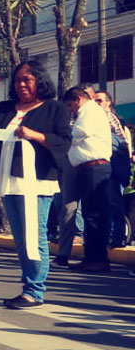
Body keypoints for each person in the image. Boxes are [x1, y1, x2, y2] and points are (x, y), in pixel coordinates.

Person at [0, 63, 69, 309]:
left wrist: (36, 135)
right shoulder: (4, 108)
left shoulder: (56, 109)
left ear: (40, 81)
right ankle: (29, 286)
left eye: (27, 80)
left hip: (36, 182)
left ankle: (34, 290)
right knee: (21, 238)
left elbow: (64, 143)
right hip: (7, 181)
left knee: (35, 236)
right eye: (17, 80)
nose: (21, 85)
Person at [63, 86, 112, 273]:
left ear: (77, 99)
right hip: (88, 168)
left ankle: (97, 258)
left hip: (94, 167)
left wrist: (61, 137)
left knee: (95, 215)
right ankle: (91, 257)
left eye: (70, 105)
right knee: (91, 214)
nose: (70, 109)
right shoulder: (87, 111)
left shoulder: (89, 111)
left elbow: (79, 133)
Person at [92, 90, 131, 248]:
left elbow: (121, 145)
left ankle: (118, 236)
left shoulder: (111, 120)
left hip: (112, 167)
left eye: (100, 100)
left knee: (114, 202)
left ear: (109, 102)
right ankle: (109, 236)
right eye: (94, 100)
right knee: (104, 204)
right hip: (100, 166)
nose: (96, 104)